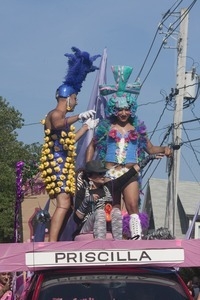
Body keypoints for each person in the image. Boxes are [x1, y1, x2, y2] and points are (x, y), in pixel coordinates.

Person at [86, 65, 172, 240]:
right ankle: (116, 239)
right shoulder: (106, 126)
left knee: (133, 205)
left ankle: (136, 237)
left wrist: (164, 149)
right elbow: (92, 146)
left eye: (126, 109)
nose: (123, 113)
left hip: (131, 172)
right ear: (114, 110)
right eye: (119, 109)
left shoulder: (138, 129)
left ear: (131, 109)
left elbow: (151, 148)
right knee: (114, 207)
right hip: (109, 173)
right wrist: (89, 167)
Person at [39, 47, 100, 242]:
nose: (76, 101)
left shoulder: (63, 117)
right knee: (64, 203)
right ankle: (52, 243)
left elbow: (69, 140)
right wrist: (79, 116)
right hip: (56, 165)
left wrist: (85, 127)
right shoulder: (56, 114)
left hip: (62, 165)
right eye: (75, 98)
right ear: (68, 99)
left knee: (67, 204)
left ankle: (56, 240)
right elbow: (57, 124)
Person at [73, 155, 161, 240]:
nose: (103, 175)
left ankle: (117, 243)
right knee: (100, 213)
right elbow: (77, 219)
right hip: (87, 225)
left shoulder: (109, 186)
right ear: (90, 177)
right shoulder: (83, 192)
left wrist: (147, 159)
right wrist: (87, 201)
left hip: (107, 223)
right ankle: (100, 244)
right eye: (99, 174)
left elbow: (128, 175)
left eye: (103, 173)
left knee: (116, 212)